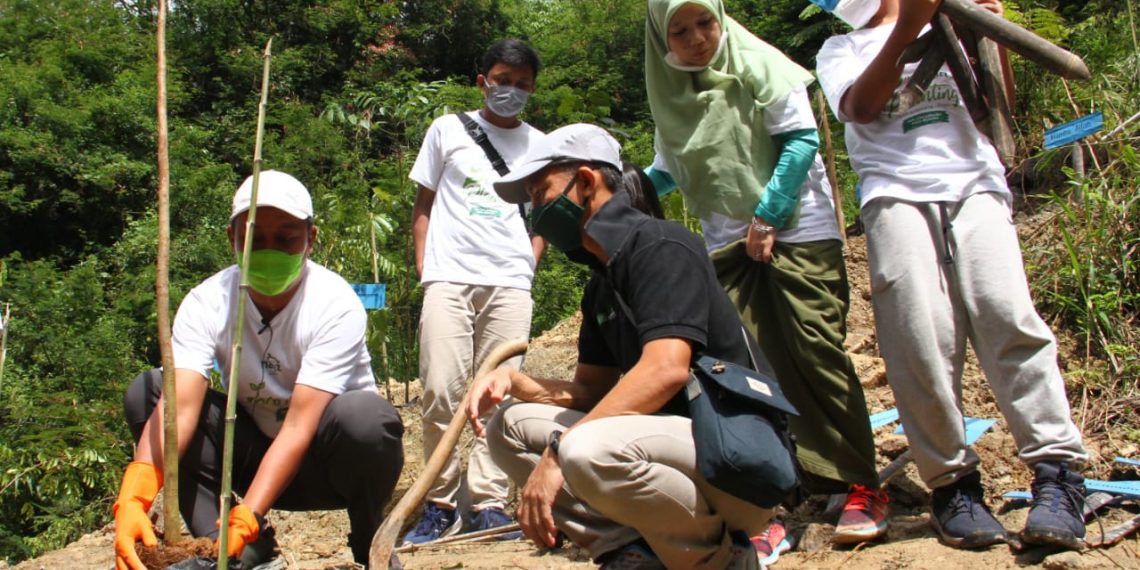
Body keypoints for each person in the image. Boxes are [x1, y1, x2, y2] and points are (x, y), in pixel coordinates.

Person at [816, 0, 1089, 550]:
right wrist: (911, 26)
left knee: (1005, 314)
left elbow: (998, 104)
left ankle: (1058, 475)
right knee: (919, 336)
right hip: (894, 193)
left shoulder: (958, 18)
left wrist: (990, 30)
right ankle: (952, 485)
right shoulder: (839, 49)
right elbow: (863, 107)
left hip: (975, 183)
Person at [642, 0, 889, 546]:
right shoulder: (671, 94)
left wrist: (768, 215)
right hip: (726, 241)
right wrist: (616, 191)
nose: (697, 38)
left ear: (722, 19)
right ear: (663, 39)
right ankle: (779, 495)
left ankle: (858, 482)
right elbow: (665, 171)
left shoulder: (758, 62)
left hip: (796, 226)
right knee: (751, 368)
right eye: (679, 30)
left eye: (705, 22)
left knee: (815, 348)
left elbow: (800, 141)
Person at [468, 123, 769, 569]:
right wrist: (516, 382)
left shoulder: (662, 246)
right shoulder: (602, 285)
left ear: (586, 182)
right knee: (509, 427)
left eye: (540, 193)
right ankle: (634, 551)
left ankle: (721, 559)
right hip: (674, 449)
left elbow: (666, 370)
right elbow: (590, 391)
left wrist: (556, 453)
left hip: (737, 460)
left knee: (583, 447)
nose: (536, 211)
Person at [112, 170, 405, 570]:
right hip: (249, 454)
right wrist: (136, 492)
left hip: (326, 463)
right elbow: (179, 408)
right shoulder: (208, 301)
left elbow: (301, 425)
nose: (270, 251)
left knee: (366, 419)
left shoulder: (335, 303)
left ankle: (371, 541)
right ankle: (226, 548)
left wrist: (250, 513)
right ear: (232, 239)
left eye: (286, 238)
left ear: (310, 239)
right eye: (254, 239)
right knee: (149, 391)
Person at [405, 38, 546, 544]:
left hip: (510, 281)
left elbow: (546, 213)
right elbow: (424, 202)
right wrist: (426, 266)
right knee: (441, 390)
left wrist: (529, 263)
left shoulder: (540, 144)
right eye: (502, 80)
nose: (510, 90)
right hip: (449, 275)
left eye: (521, 84)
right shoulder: (446, 130)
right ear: (482, 79)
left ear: (532, 89)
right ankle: (440, 502)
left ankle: (487, 501)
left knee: (501, 396)